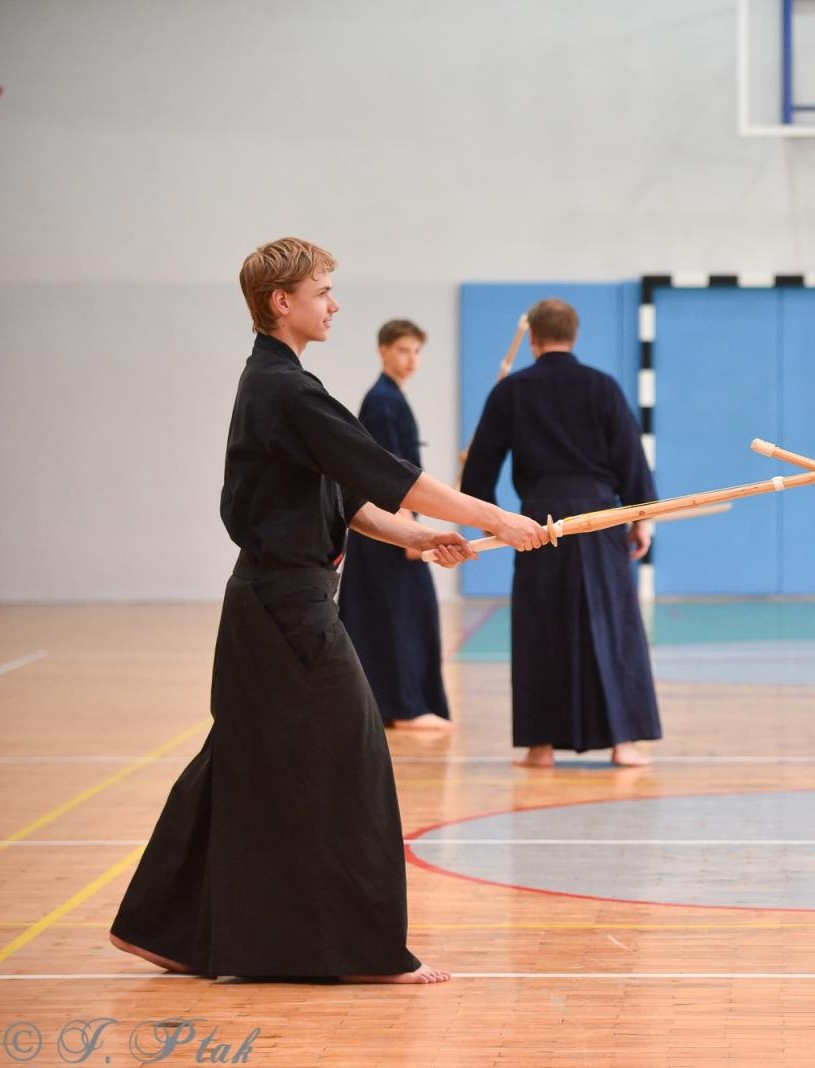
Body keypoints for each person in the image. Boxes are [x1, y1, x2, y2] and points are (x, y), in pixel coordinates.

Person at [109, 238, 548, 984]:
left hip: (268, 601)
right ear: (282, 302)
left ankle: (164, 929)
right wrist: (493, 518)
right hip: (287, 605)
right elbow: (395, 474)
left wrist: (424, 537)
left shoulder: (278, 386)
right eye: (322, 291)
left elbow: (353, 499)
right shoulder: (284, 389)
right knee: (354, 759)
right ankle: (369, 951)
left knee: (238, 758)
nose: (334, 303)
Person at [461, 298, 661, 768]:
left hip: (537, 521)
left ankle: (540, 746)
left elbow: (479, 476)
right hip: (600, 518)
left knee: (540, 628)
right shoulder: (603, 387)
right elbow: (631, 459)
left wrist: (489, 523)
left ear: (532, 339)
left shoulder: (510, 392)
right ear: (573, 335)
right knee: (611, 624)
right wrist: (641, 521)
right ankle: (623, 743)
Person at [338, 319, 452, 730]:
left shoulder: (392, 399)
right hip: (389, 529)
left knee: (395, 612)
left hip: (393, 526)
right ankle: (405, 707)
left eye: (417, 351)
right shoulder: (382, 402)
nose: (411, 359)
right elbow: (383, 474)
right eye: (403, 350)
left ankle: (393, 704)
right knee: (398, 614)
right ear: (383, 350)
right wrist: (409, 531)